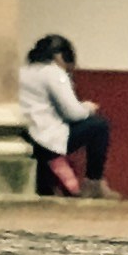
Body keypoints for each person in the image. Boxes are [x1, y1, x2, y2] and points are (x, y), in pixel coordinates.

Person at [20, 34, 115, 197]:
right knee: (99, 126)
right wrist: (88, 108)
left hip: (27, 135)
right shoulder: (53, 72)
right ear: (60, 56)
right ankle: (93, 182)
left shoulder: (23, 72)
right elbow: (72, 113)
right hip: (47, 138)